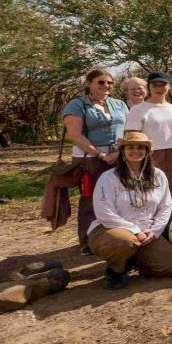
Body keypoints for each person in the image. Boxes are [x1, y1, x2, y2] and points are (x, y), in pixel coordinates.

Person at [88, 130, 172, 289]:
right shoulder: (109, 177)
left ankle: (136, 259)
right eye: (130, 147)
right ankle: (115, 269)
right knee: (125, 241)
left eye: (141, 147)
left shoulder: (158, 175)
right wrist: (133, 230)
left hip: (146, 232)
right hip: (110, 229)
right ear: (123, 152)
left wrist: (154, 232)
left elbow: (166, 206)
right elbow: (104, 212)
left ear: (147, 152)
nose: (135, 151)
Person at [63, 69, 129, 254]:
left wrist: (118, 151)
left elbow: (129, 129)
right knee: (91, 198)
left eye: (109, 83)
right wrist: (99, 154)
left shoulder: (119, 104)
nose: (105, 86)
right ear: (88, 83)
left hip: (119, 156)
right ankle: (87, 240)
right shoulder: (78, 105)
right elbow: (74, 135)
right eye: (101, 82)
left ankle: (117, 236)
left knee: (120, 197)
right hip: (90, 158)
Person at [123, 72, 172, 213]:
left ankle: (171, 226)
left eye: (163, 84)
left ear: (169, 87)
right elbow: (130, 136)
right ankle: (151, 226)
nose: (159, 88)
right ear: (149, 87)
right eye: (155, 85)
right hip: (151, 155)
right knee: (151, 192)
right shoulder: (138, 109)